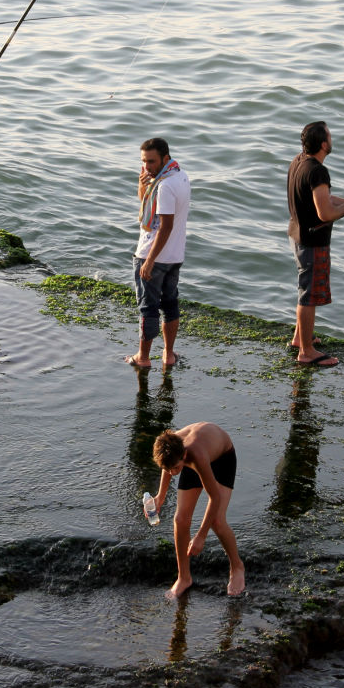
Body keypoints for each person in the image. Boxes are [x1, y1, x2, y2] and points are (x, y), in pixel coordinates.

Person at [286, 120, 344, 367]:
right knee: (309, 295)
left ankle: (299, 338)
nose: (332, 139)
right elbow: (324, 212)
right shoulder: (318, 171)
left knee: (305, 288)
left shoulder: (298, 161)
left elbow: (323, 197)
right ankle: (306, 351)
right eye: (330, 136)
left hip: (297, 234)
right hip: (312, 240)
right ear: (324, 144)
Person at [151, 421, 245, 598]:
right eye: (168, 470)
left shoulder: (195, 455)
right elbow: (168, 466)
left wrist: (201, 536)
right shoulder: (172, 450)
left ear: (183, 455)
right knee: (180, 519)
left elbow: (215, 497)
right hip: (189, 460)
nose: (172, 474)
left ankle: (237, 566)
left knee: (217, 521)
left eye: (176, 469)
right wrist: (160, 497)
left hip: (222, 458)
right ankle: (184, 578)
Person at [126, 137, 190, 370]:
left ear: (165, 158)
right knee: (170, 304)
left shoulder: (163, 186)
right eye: (143, 162)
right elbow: (145, 201)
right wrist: (142, 183)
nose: (147, 167)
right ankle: (169, 354)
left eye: (151, 162)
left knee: (148, 307)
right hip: (175, 256)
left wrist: (149, 261)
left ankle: (143, 357)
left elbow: (165, 226)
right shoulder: (179, 176)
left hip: (152, 254)